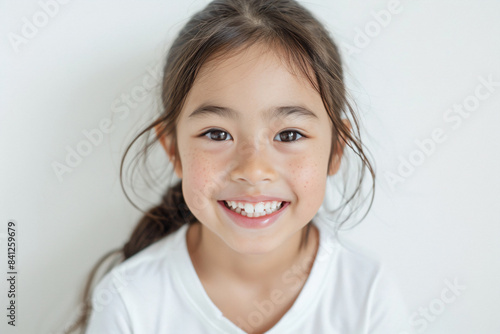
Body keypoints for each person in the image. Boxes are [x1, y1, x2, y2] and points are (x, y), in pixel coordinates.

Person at [68, 0, 412, 333]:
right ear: (173, 149)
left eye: (289, 134)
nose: (253, 169)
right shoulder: (129, 300)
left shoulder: (368, 297)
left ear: (335, 150)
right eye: (217, 134)